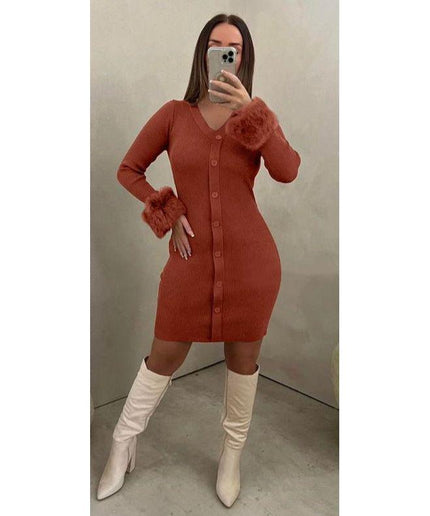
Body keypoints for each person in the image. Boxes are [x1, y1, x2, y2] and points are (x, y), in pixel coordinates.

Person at [97, 13, 301, 508]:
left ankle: (231, 456)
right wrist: (169, 211)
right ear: (202, 53)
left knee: (242, 362)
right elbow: (128, 169)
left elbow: (288, 170)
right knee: (164, 355)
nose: (225, 54)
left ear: (244, 58)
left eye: (234, 47)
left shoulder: (254, 118)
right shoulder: (174, 115)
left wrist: (253, 112)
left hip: (252, 268)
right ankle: (123, 443)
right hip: (190, 263)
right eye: (215, 44)